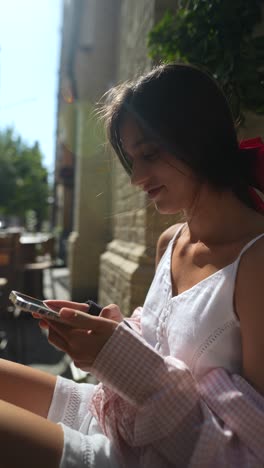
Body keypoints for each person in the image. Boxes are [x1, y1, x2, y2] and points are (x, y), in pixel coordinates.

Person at [1, 63, 264, 467]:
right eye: (131, 159)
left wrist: (120, 359)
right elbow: (158, 350)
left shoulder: (256, 264)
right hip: (115, 416)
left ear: (198, 138)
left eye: (150, 154)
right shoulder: (169, 242)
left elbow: (247, 453)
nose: (136, 177)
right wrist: (102, 331)